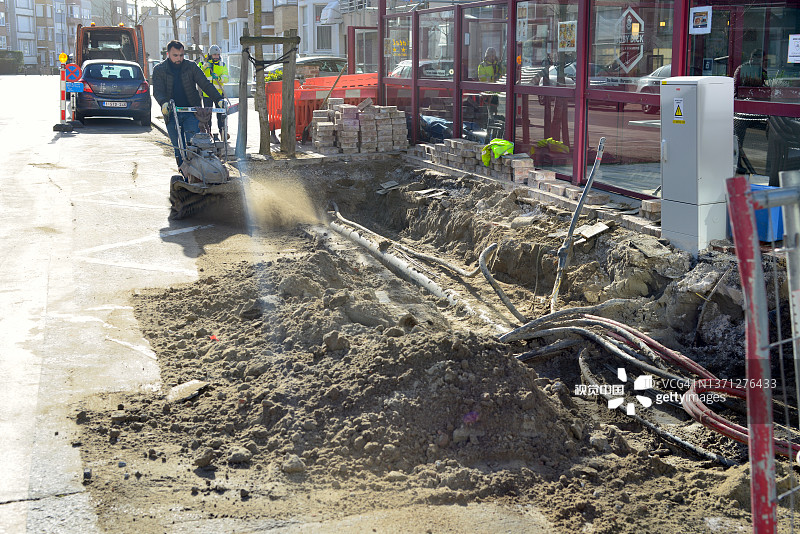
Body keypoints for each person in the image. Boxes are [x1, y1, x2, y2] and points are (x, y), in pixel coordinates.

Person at [152, 40, 225, 169]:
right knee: (178, 148)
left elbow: (205, 84)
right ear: (168, 54)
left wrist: (219, 99)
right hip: (171, 113)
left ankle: (197, 174)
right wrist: (163, 103)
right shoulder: (159, 69)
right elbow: (158, 91)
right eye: (175, 55)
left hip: (191, 112)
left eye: (181, 55)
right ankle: (184, 173)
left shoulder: (191, 67)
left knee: (194, 146)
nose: (179, 58)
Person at [198, 44, 229, 138]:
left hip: (219, 94)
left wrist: (219, 78)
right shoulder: (203, 63)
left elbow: (226, 78)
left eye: (217, 55)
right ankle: (208, 132)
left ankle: (222, 132)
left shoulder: (222, 65)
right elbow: (197, 73)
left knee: (221, 114)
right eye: (214, 55)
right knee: (207, 115)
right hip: (207, 94)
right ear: (210, 55)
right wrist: (204, 67)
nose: (216, 56)